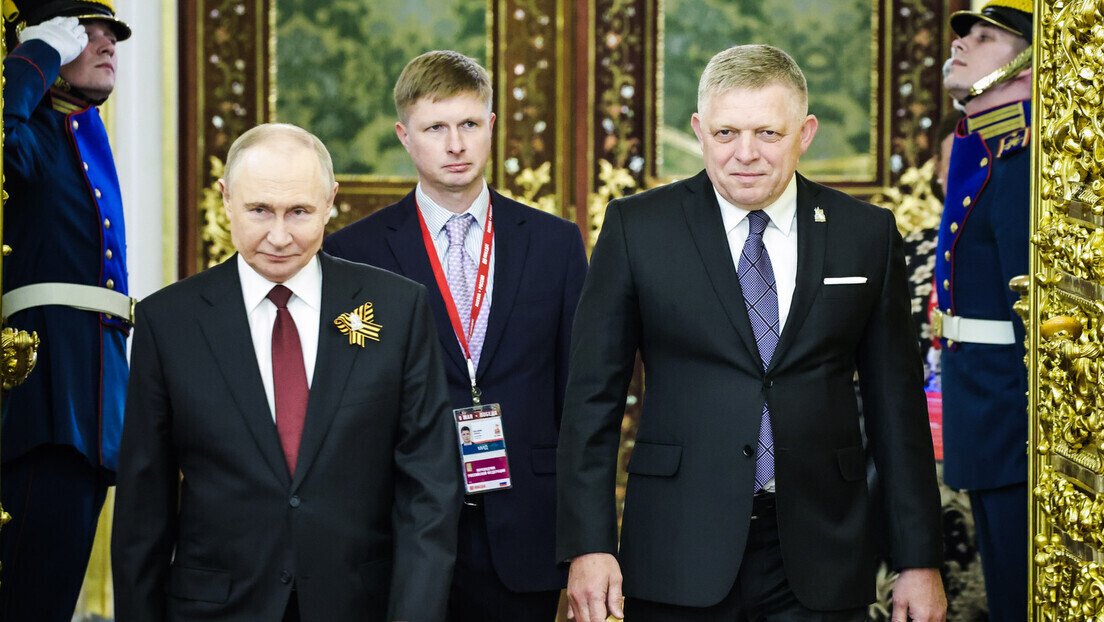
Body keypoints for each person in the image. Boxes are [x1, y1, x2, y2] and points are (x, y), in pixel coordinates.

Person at [557, 44, 946, 621]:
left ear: (805, 133)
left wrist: (918, 559)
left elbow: (897, 406)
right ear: (699, 130)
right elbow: (592, 399)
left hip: (823, 552)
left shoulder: (865, 232)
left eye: (767, 133)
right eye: (725, 133)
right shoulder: (637, 228)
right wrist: (588, 545)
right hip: (677, 546)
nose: (745, 154)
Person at [111, 123, 462, 621]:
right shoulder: (167, 322)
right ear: (225, 199)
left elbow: (429, 489)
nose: (279, 236)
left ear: (330, 201)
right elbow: (142, 510)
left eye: (299, 211)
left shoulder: (398, 309)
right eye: (259, 210)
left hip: (358, 604)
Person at [324, 50, 587, 621]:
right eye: (435, 128)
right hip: (403, 531)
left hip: (527, 530)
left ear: (491, 125)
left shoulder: (556, 244)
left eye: (469, 124)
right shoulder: (354, 253)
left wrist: (584, 541)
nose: (456, 144)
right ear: (404, 136)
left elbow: (579, 401)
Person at [0, 2, 132, 620]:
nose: (107, 44)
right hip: (41, 391)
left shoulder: (84, 134)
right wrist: (30, 58)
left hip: (94, 399)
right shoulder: (31, 132)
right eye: (84, 33)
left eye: (112, 35)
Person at [935, 1, 1032, 618]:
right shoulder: (988, 152)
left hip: (1015, 421)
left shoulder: (1023, 164)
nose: (962, 42)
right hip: (984, 407)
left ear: (1030, 63)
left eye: (986, 36)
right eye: (965, 32)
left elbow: (1037, 319)